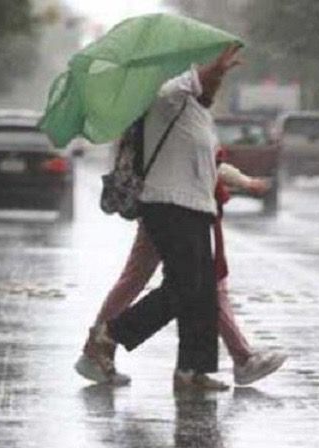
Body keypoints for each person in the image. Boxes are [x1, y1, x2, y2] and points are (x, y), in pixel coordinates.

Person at [79, 45, 280, 390]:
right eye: (208, 81)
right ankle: (109, 335)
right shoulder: (163, 99)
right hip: (167, 204)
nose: (213, 88)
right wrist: (210, 69)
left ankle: (192, 370)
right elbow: (180, 87)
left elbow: (211, 163)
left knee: (201, 292)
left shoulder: (198, 114)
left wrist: (219, 73)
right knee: (184, 288)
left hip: (197, 208)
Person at [76, 157, 287, 387]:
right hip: (177, 208)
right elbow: (204, 160)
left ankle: (100, 348)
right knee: (200, 283)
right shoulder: (176, 121)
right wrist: (245, 182)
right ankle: (235, 360)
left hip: (168, 205)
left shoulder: (155, 123)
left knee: (146, 279)